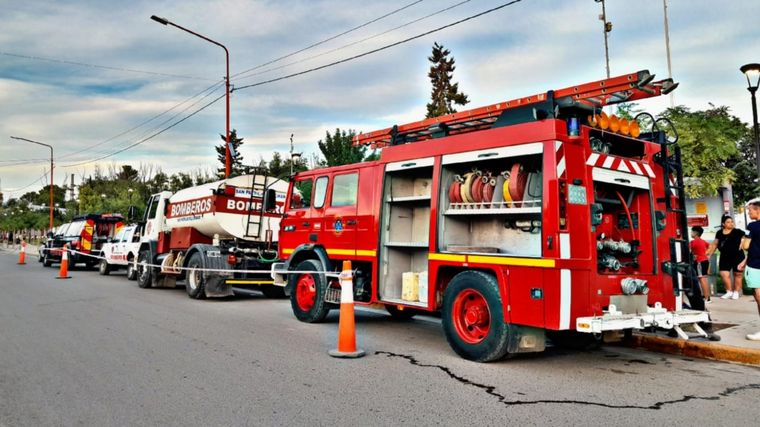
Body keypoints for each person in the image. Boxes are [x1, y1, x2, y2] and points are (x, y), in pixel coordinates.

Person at [706, 215, 745, 300]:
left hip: (738, 256)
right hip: (724, 256)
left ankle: (736, 292)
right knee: (724, 274)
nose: (731, 223)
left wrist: (742, 242)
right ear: (723, 224)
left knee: (738, 274)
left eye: (732, 222)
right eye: (728, 222)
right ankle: (729, 291)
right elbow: (715, 244)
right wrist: (709, 254)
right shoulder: (719, 232)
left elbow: (746, 236)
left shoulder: (738, 231)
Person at [741, 200, 760, 340]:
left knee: (759, 297)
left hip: (755, 266)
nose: (749, 212)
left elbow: (746, 246)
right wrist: (744, 261)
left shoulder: (752, 226)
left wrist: (743, 242)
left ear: (758, 210)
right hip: (753, 262)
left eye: (750, 210)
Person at [690, 226, 712, 304]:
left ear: (695, 233)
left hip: (699, 262)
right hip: (704, 261)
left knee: (702, 280)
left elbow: (687, 250)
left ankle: (707, 298)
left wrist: (696, 255)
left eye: (691, 232)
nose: (691, 233)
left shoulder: (693, 242)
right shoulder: (703, 241)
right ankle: (706, 297)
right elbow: (710, 246)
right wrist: (706, 253)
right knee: (704, 279)